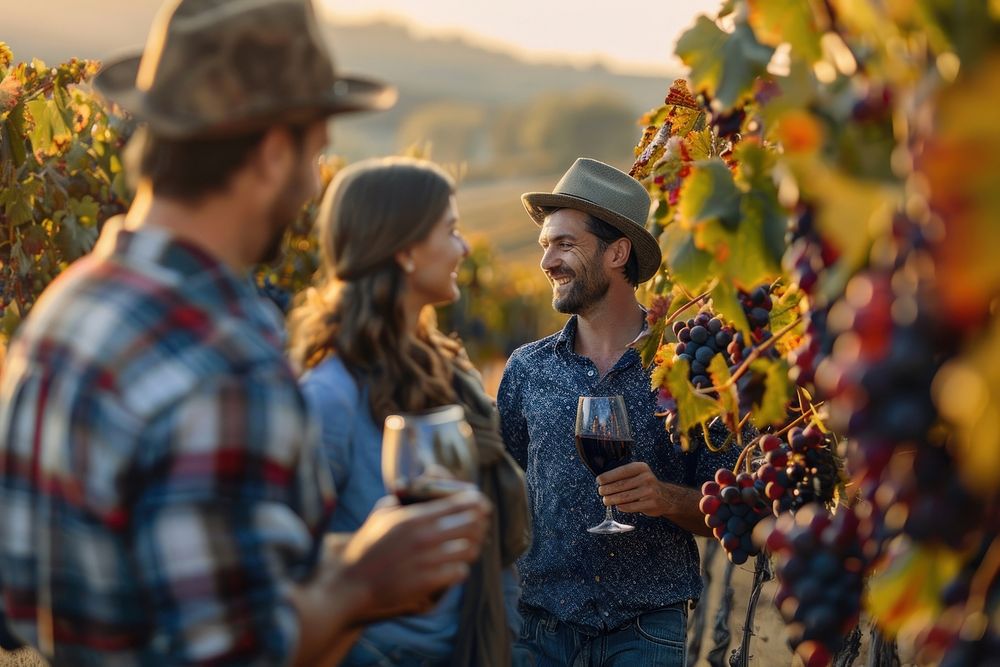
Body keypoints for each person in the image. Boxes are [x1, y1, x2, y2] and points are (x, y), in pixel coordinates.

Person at [0, 1, 490, 665]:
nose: (316, 182)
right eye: (316, 152)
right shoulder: (224, 362)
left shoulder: (68, 311)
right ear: (270, 151)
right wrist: (362, 585)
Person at [288, 157, 532, 667]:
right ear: (403, 250)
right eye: (452, 230)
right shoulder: (327, 397)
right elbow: (295, 578)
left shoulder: (447, 372)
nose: (465, 248)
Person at [497, 158, 741, 666]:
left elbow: (732, 510)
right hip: (537, 629)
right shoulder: (526, 368)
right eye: (546, 245)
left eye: (565, 244)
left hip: (646, 630)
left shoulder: (692, 370)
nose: (547, 262)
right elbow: (509, 488)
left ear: (617, 252)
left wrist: (666, 498)